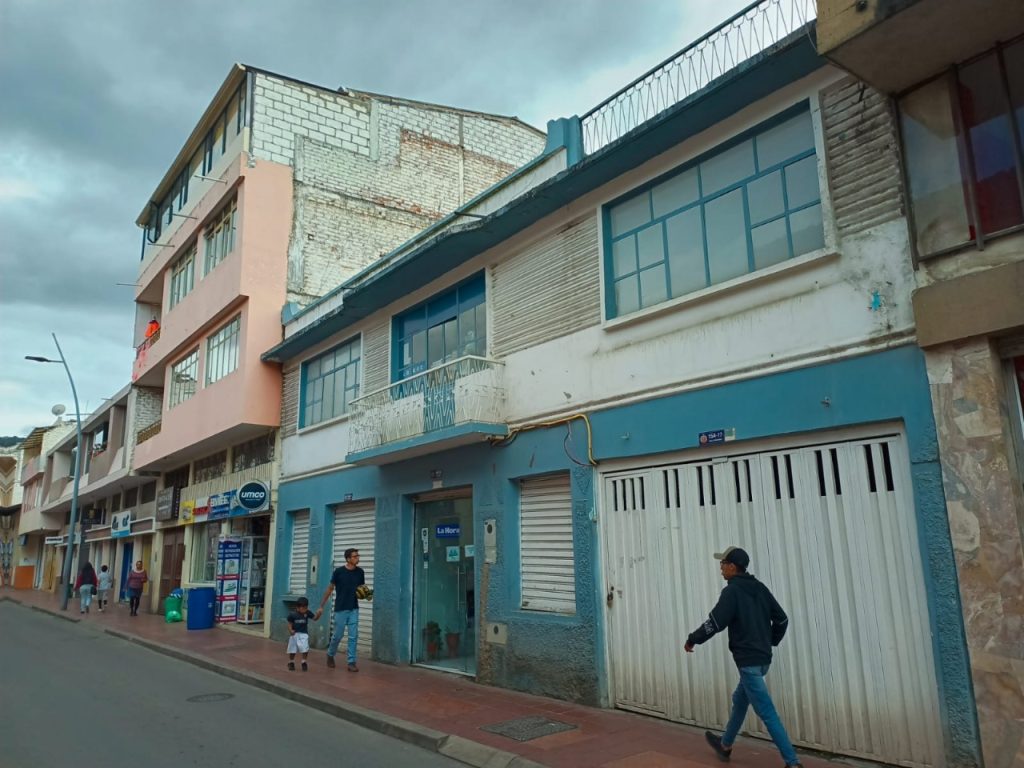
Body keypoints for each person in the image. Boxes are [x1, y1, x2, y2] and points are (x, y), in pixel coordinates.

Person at [684, 547, 802, 768]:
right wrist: (770, 641)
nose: (720, 568)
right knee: (740, 700)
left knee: (767, 713)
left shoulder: (732, 592)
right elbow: (782, 620)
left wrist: (693, 639)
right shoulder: (760, 588)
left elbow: (715, 623)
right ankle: (725, 744)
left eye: (723, 564)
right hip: (763, 661)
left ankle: (793, 763)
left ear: (733, 567)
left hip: (748, 663)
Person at [318, 548, 365, 672]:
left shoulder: (360, 572)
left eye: (358, 556)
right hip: (341, 608)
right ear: (348, 559)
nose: (358, 558)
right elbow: (330, 588)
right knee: (338, 635)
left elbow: (361, 590)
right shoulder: (339, 572)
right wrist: (321, 605)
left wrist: (366, 594)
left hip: (354, 608)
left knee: (353, 636)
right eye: (355, 556)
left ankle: (351, 662)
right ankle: (330, 654)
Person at [286, 597, 322, 671]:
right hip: (294, 634)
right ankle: (291, 662)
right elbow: (289, 624)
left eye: (306, 608)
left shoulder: (307, 613)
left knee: (305, 648)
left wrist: (318, 614)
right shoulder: (292, 615)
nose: (305, 609)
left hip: (303, 634)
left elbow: (315, 618)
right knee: (292, 649)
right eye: (303, 608)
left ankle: (304, 662)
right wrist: (290, 630)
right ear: (298, 608)